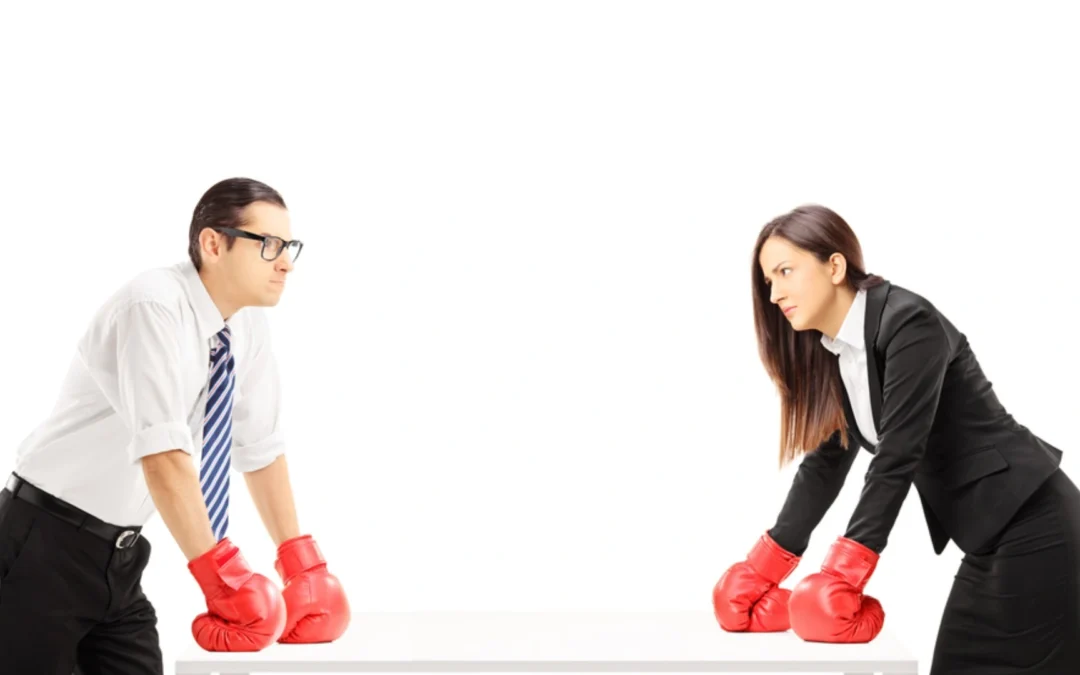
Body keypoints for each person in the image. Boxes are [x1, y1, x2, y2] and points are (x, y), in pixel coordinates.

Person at [0, 177, 351, 673]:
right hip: (43, 545)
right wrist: (221, 579)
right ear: (214, 244)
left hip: (120, 557)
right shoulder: (153, 306)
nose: (286, 263)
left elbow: (260, 448)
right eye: (269, 244)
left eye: (289, 246)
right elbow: (163, 456)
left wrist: (301, 564)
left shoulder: (245, 324)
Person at [711, 204, 1079, 672]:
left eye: (785, 271)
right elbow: (825, 466)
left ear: (835, 266)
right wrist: (762, 568)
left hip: (1037, 526)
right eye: (768, 281)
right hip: (991, 540)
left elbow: (898, 454)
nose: (775, 293)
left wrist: (844, 575)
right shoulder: (841, 351)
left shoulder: (909, 322)